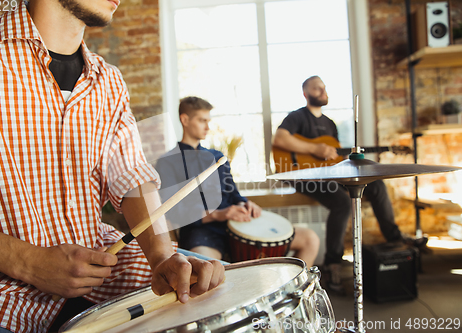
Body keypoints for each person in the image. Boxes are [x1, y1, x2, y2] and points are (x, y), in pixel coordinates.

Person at [0, 2, 224, 332]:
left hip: (102, 261)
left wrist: (159, 256)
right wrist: (29, 262)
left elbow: (132, 175)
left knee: (214, 286)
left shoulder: (109, 81)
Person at [273, 75, 406, 294]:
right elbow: (280, 139)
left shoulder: (329, 124)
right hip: (302, 176)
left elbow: (331, 156)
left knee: (377, 185)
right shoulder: (296, 117)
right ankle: (333, 263)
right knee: (342, 203)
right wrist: (314, 149)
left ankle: (396, 239)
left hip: (328, 176)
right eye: (317, 88)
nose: (322, 91)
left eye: (324, 87)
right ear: (305, 93)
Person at [155, 96, 320, 266]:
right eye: (202, 120)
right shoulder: (167, 162)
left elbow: (233, 193)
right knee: (206, 267)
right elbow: (174, 212)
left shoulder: (217, 157)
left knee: (310, 239)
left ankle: (290, 292)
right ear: (185, 120)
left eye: (208, 120)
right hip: (201, 232)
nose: (207, 126)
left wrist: (246, 203)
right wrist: (219, 214)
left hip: (236, 224)